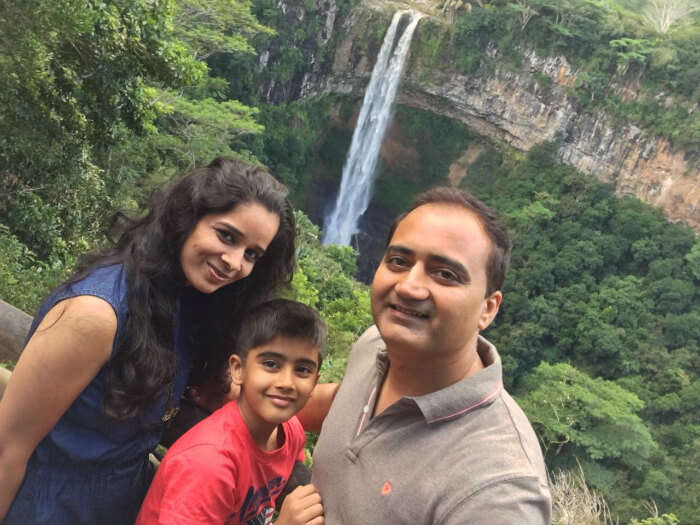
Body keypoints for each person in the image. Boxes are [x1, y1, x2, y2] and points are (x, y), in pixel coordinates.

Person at [0, 158, 296, 525]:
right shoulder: (94, 315)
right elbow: (7, 447)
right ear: (187, 219)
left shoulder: (181, 301)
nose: (235, 262)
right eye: (227, 236)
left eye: (252, 254)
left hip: (119, 505)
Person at [308, 187, 552, 524]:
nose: (409, 286)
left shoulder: (498, 493)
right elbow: (342, 402)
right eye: (399, 261)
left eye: (445, 274)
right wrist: (241, 399)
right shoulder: (375, 343)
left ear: (488, 308)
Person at [136, 299, 325, 525]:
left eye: (302, 370)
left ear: (315, 381)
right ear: (238, 370)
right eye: (271, 364)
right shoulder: (208, 465)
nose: (286, 382)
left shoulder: (291, 432)